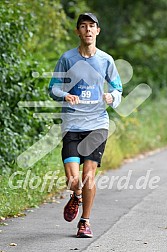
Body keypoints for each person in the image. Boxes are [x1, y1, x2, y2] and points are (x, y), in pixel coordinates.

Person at [49, 13, 122, 238]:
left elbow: (118, 89)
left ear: (98, 31)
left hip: (97, 124)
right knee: (73, 180)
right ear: (77, 32)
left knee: (89, 175)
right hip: (72, 123)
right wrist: (65, 95)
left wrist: (113, 98)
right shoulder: (67, 58)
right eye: (83, 26)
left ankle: (85, 222)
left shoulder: (106, 60)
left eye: (92, 26)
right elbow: (53, 88)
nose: (88, 30)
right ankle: (76, 195)